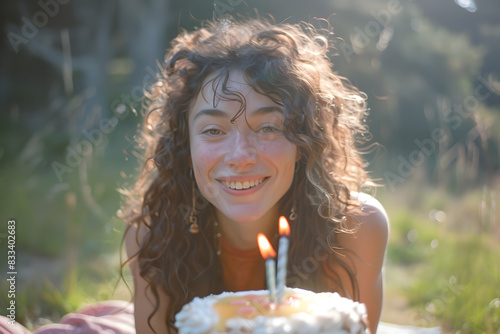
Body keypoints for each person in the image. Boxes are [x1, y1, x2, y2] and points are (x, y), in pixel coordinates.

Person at [121, 16, 389, 334]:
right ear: (185, 145)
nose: (240, 157)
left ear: (303, 142)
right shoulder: (153, 236)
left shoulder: (357, 229)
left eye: (267, 128)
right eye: (213, 130)